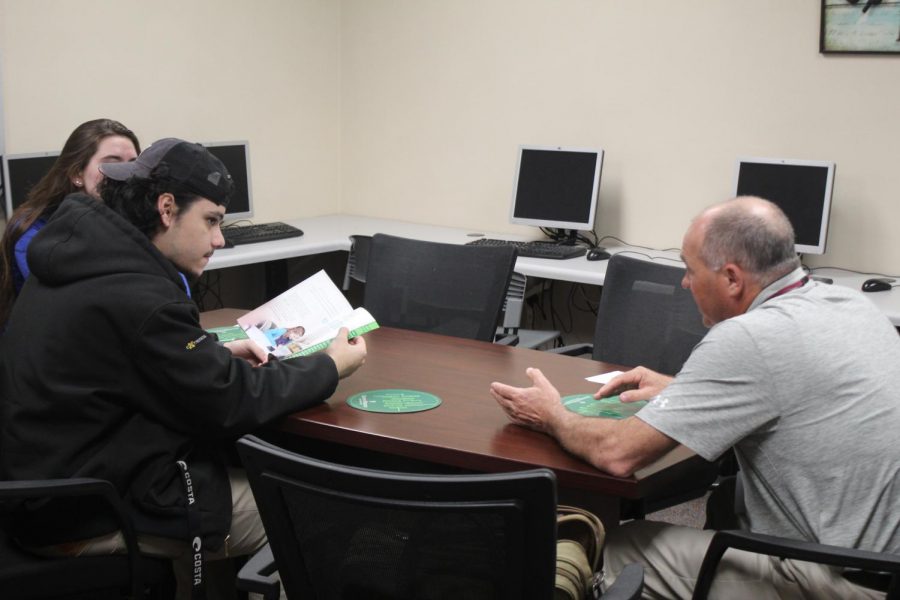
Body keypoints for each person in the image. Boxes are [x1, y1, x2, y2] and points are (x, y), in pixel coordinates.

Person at [0, 138, 368, 599]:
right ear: (167, 208)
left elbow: (130, 357)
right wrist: (331, 366)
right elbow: (232, 401)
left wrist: (205, 351)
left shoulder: (82, 260)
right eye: (211, 220)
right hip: (90, 509)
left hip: (47, 490)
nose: (220, 239)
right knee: (313, 511)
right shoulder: (138, 293)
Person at [491, 196, 900, 599]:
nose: (685, 283)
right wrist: (684, 390)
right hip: (883, 556)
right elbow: (799, 388)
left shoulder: (748, 338)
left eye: (690, 270)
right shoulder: (850, 305)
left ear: (733, 279)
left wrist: (551, 414)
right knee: (726, 502)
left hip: (846, 579)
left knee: (625, 546)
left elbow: (617, 454)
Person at [0, 118, 140, 328]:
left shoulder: (125, 219)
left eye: (132, 164)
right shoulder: (34, 233)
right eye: (112, 163)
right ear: (77, 174)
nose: (125, 173)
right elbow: (80, 308)